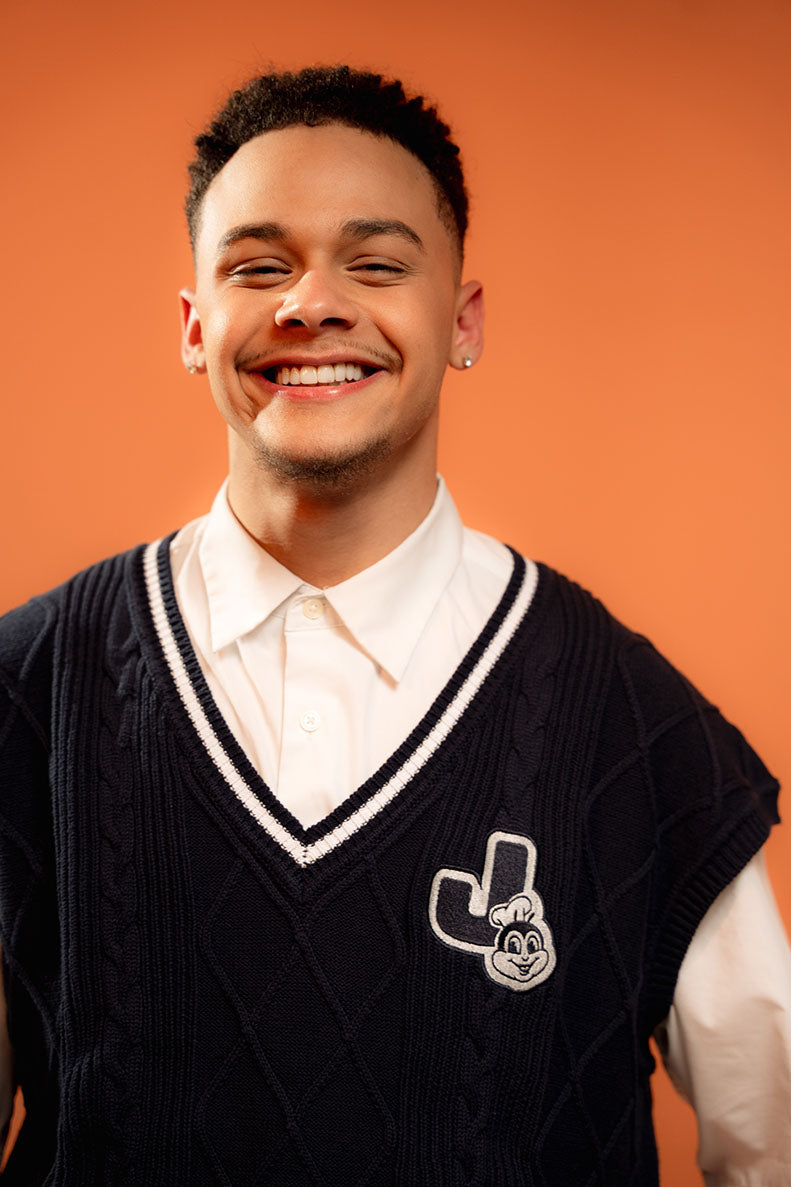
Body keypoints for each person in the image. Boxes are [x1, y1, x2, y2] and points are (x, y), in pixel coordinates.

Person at [0, 65, 788, 1186]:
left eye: (374, 263)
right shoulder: (26, 690)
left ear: (461, 320)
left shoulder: (633, 729)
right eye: (256, 266)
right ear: (192, 325)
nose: (309, 303)